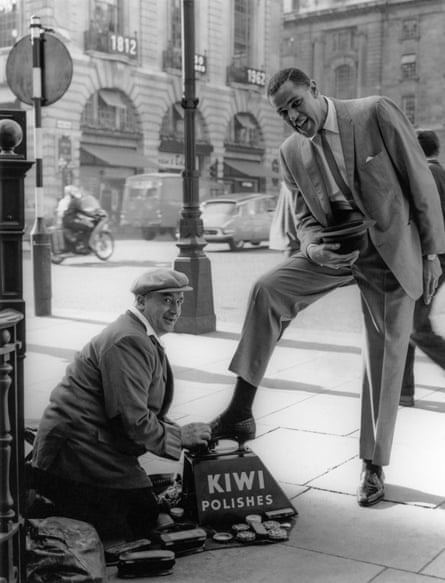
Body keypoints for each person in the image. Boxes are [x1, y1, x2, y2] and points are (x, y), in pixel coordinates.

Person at [209, 67, 445, 507]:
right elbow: (302, 217)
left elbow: (421, 182)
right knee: (267, 288)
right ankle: (241, 410)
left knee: (384, 356)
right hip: (334, 249)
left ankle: (372, 466)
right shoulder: (290, 152)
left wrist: (431, 254)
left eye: (297, 103)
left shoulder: (374, 112)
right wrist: (314, 249)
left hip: (389, 253)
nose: (294, 117)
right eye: (284, 113)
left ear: (315, 90)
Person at [31, 268, 211, 539]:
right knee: (141, 519)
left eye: (179, 301)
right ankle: (44, 501)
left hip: (91, 443)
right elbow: (132, 419)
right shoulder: (129, 339)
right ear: (141, 301)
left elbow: (136, 409)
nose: (175, 309)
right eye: (166, 300)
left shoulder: (137, 333)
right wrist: (179, 437)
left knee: (150, 509)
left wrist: (173, 432)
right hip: (77, 452)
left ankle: (53, 497)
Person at [400, 130, 445, 407]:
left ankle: (403, 391)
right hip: (438, 260)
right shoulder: (442, 173)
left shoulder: (424, 176)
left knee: (416, 327)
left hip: (430, 261)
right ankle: (403, 392)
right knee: (404, 322)